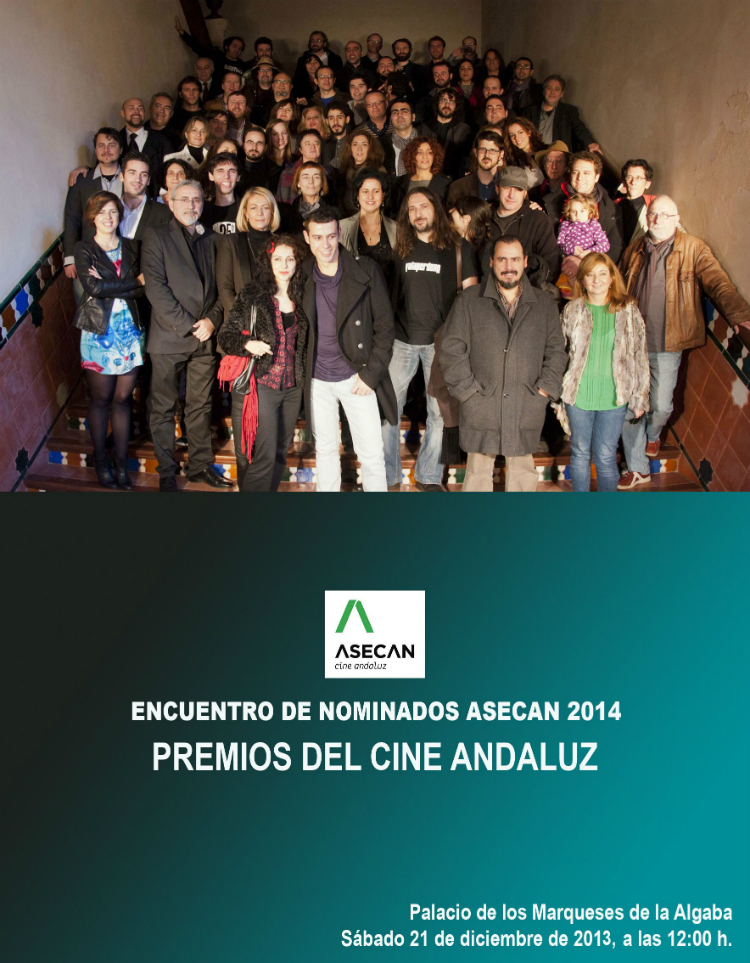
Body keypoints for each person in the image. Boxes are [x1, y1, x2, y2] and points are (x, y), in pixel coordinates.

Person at [618, 195, 750, 488]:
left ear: (677, 219)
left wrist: (739, 314)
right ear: (647, 218)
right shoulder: (635, 249)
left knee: (661, 406)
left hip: (668, 344)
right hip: (631, 344)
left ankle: (653, 435)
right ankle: (637, 467)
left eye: (665, 215)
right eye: (653, 214)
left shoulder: (693, 248)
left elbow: (718, 282)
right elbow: (617, 285)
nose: (658, 220)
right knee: (629, 406)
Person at [440, 235, 567, 492]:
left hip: (526, 402)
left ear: (525, 262)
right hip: (480, 403)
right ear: (491, 262)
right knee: (477, 475)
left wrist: (543, 391)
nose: (509, 266)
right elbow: (451, 349)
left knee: (522, 475)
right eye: (502, 259)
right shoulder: (469, 300)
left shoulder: (544, 304)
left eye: (515, 259)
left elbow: (556, 352)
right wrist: (468, 392)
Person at [386, 189, 479, 491]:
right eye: (411, 208)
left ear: (435, 209)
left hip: (441, 343)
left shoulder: (458, 248)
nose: (417, 213)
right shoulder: (401, 247)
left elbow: (471, 297)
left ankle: (428, 476)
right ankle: (388, 476)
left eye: (423, 206)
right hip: (402, 339)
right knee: (388, 409)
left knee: (439, 412)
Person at [141, 179, 230, 491]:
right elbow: (156, 288)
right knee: (163, 407)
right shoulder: (156, 236)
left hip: (205, 338)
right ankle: (167, 470)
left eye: (196, 200)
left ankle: (200, 467)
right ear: (170, 202)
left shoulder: (213, 239)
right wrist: (190, 324)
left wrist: (213, 321)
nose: (191, 206)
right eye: (184, 200)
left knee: (200, 406)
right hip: (170, 337)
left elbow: (223, 287)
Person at [301, 207, 397, 492]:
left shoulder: (365, 269)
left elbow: (385, 327)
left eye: (331, 236)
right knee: (326, 451)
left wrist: (370, 375)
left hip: (357, 377)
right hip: (317, 380)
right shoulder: (301, 274)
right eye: (317, 237)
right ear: (307, 238)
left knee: (371, 455)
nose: (325, 244)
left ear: (339, 233)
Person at [218, 235, 309, 491]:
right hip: (264, 385)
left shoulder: (304, 293)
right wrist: (248, 344)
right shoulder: (254, 294)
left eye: (290, 259)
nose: (284, 265)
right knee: (265, 453)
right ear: (268, 262)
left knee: (281, 450)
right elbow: (226, 335)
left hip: (293, 387)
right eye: (278, 259)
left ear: (297, 262)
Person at [557, 253, 649, 491]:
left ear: (611, 278)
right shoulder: (572, 310)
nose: (596, 280)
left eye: (602, 274)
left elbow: (639, 356)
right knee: (579, 453)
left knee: (606, 456)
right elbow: (560, 353)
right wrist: (557, 396)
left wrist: (640, 397)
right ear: (582, 280)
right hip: (578, 396)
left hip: (613, 397)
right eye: (590, 275)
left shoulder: (628, 310)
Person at [73, 192, 145, 489]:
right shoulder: (84, 249)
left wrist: (109, 284)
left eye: (113, 211)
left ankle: (120, 463)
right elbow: (93, 288)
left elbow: (143, 289)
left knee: (123, 399)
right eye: (102, 212)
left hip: (130, 333)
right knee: (101, 399)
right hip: (98, 333)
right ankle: (101, 460)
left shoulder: (132, 247)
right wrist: (132, 282)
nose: (108, 217)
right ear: (93, 216)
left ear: (120, 215)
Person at [63, 128, 123, 283]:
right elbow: (72, 219)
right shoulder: (81, 181)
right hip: (91, 257)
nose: (106, 150)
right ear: (95, 150)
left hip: (125, 255)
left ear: (121, 149)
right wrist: (70, 258)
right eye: (101, 145)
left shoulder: (131, 179)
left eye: (112, 145)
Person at [482, 166, 560, 285]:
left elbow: (550, 264)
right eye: (507, 188)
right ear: (497, 188)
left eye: (518, 189)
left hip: (527, 291)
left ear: (525, 193)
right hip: (486, 289)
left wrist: (525, 289)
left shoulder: (538, 220)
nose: (511, 195)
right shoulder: (484, 217)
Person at [544, 151, 623, 263]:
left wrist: (588, 264)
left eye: (586, 173)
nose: (579, 178)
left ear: (596, 177)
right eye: (575, 172)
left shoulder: (612, 209)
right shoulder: (549, 203)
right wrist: (569, 261)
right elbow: (547, 244)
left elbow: (615, 248)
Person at [217, 187, 281, 319]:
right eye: (253, 208)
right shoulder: (231, 242)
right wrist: (242, 318)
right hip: (241, 321)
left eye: (265, 208)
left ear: (272, 212)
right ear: (245, 212)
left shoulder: (282, 244)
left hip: (276, 320)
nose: (259, 213)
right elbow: (225, 288)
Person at [339, 168, 397, 289]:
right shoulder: (342, 228)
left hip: (388, 296)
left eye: (376, 191)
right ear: (357, 195)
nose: (370, 196)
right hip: (353, 295)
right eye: (365, 191)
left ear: (383, 195)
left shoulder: (397, 229)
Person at [522, 75, 601, 153]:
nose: (552, 92)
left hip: (558, 156)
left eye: (557, 89)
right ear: (544, 91)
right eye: (549, 88)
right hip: (534, 154)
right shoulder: (530, 111)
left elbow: (579, 128)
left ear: (562, 93)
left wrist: (590, 143)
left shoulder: (569, 111)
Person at [118, 152, 172, 244]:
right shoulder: (108, 210)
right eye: (132, 173)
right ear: (121, 176)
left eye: (143, 174)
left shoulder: (164, 214)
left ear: (148, 180)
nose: (137, 179)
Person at [175, 16, 251, 81]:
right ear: (227, 47)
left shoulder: (243, 66)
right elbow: (198, 47)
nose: (237, 50)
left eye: (240, 48)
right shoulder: (217, 57)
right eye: (234, 46)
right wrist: (183, 33)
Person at [391, 137, 451, 214]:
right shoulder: (400, 182)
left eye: (429, 152)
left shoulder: (445, 183)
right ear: (412, 156)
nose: (425, 156)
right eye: (419, 152)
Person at [119, 97, 170, 183]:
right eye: (131, 108)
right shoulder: (115, 140)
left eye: (140, 108)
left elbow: (169, 171)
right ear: (123, 113)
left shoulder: (162, 140)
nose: (136, 112)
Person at [335, 130, 386, 216]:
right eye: (355, 144)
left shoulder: (378, 170)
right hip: (346, 216)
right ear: (350, 148)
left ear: (370, 148)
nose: (359, 149)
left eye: (364, 144)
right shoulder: (345, 169)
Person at [447, 130, 504, 205]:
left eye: (492, 151)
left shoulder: (508, 186)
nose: (487, 155)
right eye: (482, 150)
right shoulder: (458, 186)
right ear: (475, 152)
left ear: (501, 154)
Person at [425, 89, 472, 180]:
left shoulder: (465, 130)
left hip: (454, 179)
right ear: (437, 103)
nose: (447, 105)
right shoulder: (424, 128)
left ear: (456, 106)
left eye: (451, 102)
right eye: (443, 100)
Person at [282, 162, 339, 234]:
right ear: (298, 183)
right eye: (306, 177)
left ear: (322, 183)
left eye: (316, 177)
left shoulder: (334, 213)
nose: (311, 181)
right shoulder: (287, 215)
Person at [276, 129, 324, 205]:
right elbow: (282, 204)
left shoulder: (328, 173)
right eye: (308, 144)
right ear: (300, 149)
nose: (313, 147)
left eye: (316, 143)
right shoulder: (287, 174)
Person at [616, 159, 656, 247]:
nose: (633, 182)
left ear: (647, 184)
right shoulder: (613, 206)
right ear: (624, 182)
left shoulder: (654, 206)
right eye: (629, 177)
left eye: (639, 178)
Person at [387, 99, 431, 175]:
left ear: (413, 117)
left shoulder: (428, 143)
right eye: (395, 112)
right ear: (390, 119)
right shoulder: (382, 146)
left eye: (404, 112)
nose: (399, 115)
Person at [200, 152, 241, 234]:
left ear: (238, 177)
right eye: (220, 171)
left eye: (232, 171)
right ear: (211, 176)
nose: (226, 176)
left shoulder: (246, 209)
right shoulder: (202, 211)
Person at [504, 117, 546, 191]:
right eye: (512, 135)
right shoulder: (513, 160)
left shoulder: (545, 151)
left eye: (520, 132)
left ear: (529, 132)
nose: (516, 138)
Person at [449, 196, 493, 264]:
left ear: (466, 219)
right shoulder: (449, 243)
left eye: (455, 208)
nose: (450, 211)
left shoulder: (486, 252)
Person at [239, 126, 273, 190]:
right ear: (243, 145)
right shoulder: (235, 167)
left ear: (265, 147)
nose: (254, 147)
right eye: (250, 142)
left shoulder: (273, 172)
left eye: (259, 143)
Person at [266, 120, 294, 195]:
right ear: (269, 136)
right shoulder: (263, 162)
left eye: (284, 133)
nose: (280, 137)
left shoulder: (296, 160)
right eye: (275, 134)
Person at [322, 100, 352, 168]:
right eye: (331, 118)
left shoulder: (354, 142)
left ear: (347, 119)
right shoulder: (322, 144)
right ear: (327, 121)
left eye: (340, 117)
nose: (335, 122)